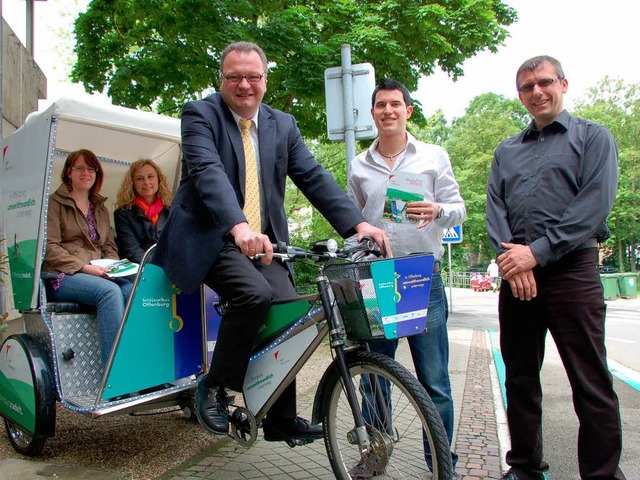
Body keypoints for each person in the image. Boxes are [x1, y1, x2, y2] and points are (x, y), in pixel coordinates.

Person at [153, 41, 390, 442]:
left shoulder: (283, 124)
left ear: (265, 79)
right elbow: (208, 173)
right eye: (234, 77)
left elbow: (313, 177)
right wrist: (239, 226)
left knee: (291, 316)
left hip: (263, 243)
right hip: (211, 237)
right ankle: (214, 386)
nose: (244, 85)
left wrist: (356, 226)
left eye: (253, 77)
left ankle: (280, 419)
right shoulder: (200, 115)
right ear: (222, 79)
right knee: (252, 295)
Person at [486, 55, 626, 480]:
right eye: (527, 87)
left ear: (563, 84)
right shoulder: (506, 150)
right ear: (520, 95)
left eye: (544, 82)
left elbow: (593, 205)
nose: (536, 92)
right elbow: (496, 210)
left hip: (572, 271)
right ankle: (525, 467)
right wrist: (514, 261)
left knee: (590, 382)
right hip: (517, 275)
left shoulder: (593, 138)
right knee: (520, 378)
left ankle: (601, 475)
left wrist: (537, 253)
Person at [346, 78, 466, 478]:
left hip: (422, 277)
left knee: (434, 380)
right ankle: (375, 457)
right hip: (378, 278)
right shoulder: (360, 165)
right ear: (373, 112)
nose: (388, 111)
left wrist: (438, 210)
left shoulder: (433, 155)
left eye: (395, 104)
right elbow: (352, 220)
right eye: (380, 105)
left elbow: (458, 208)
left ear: (408, 111)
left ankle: (440, 461)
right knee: (375, 377)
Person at [42, 149, 133, 367]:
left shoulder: (99, 208)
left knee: (133, 290)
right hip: (63, 274)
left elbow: (109, 246)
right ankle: (114, 372)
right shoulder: (54, 203)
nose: (86, 173)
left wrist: (113, 267)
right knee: (109, 292)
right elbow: (50, 248)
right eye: (80, 168)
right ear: (69, 172)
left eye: (91, 168)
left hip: (99, 273)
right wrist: (84, 268)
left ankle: (136, 364)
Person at [114, 159, 173, 264]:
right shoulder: (123, 214)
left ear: (159, 179)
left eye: (150, 176)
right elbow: (132, 251)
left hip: (171, 267)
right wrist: (157, 268)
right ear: (132, 183)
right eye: (140, 178)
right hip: (140, 268)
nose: (146, 182)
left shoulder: (171, 210)